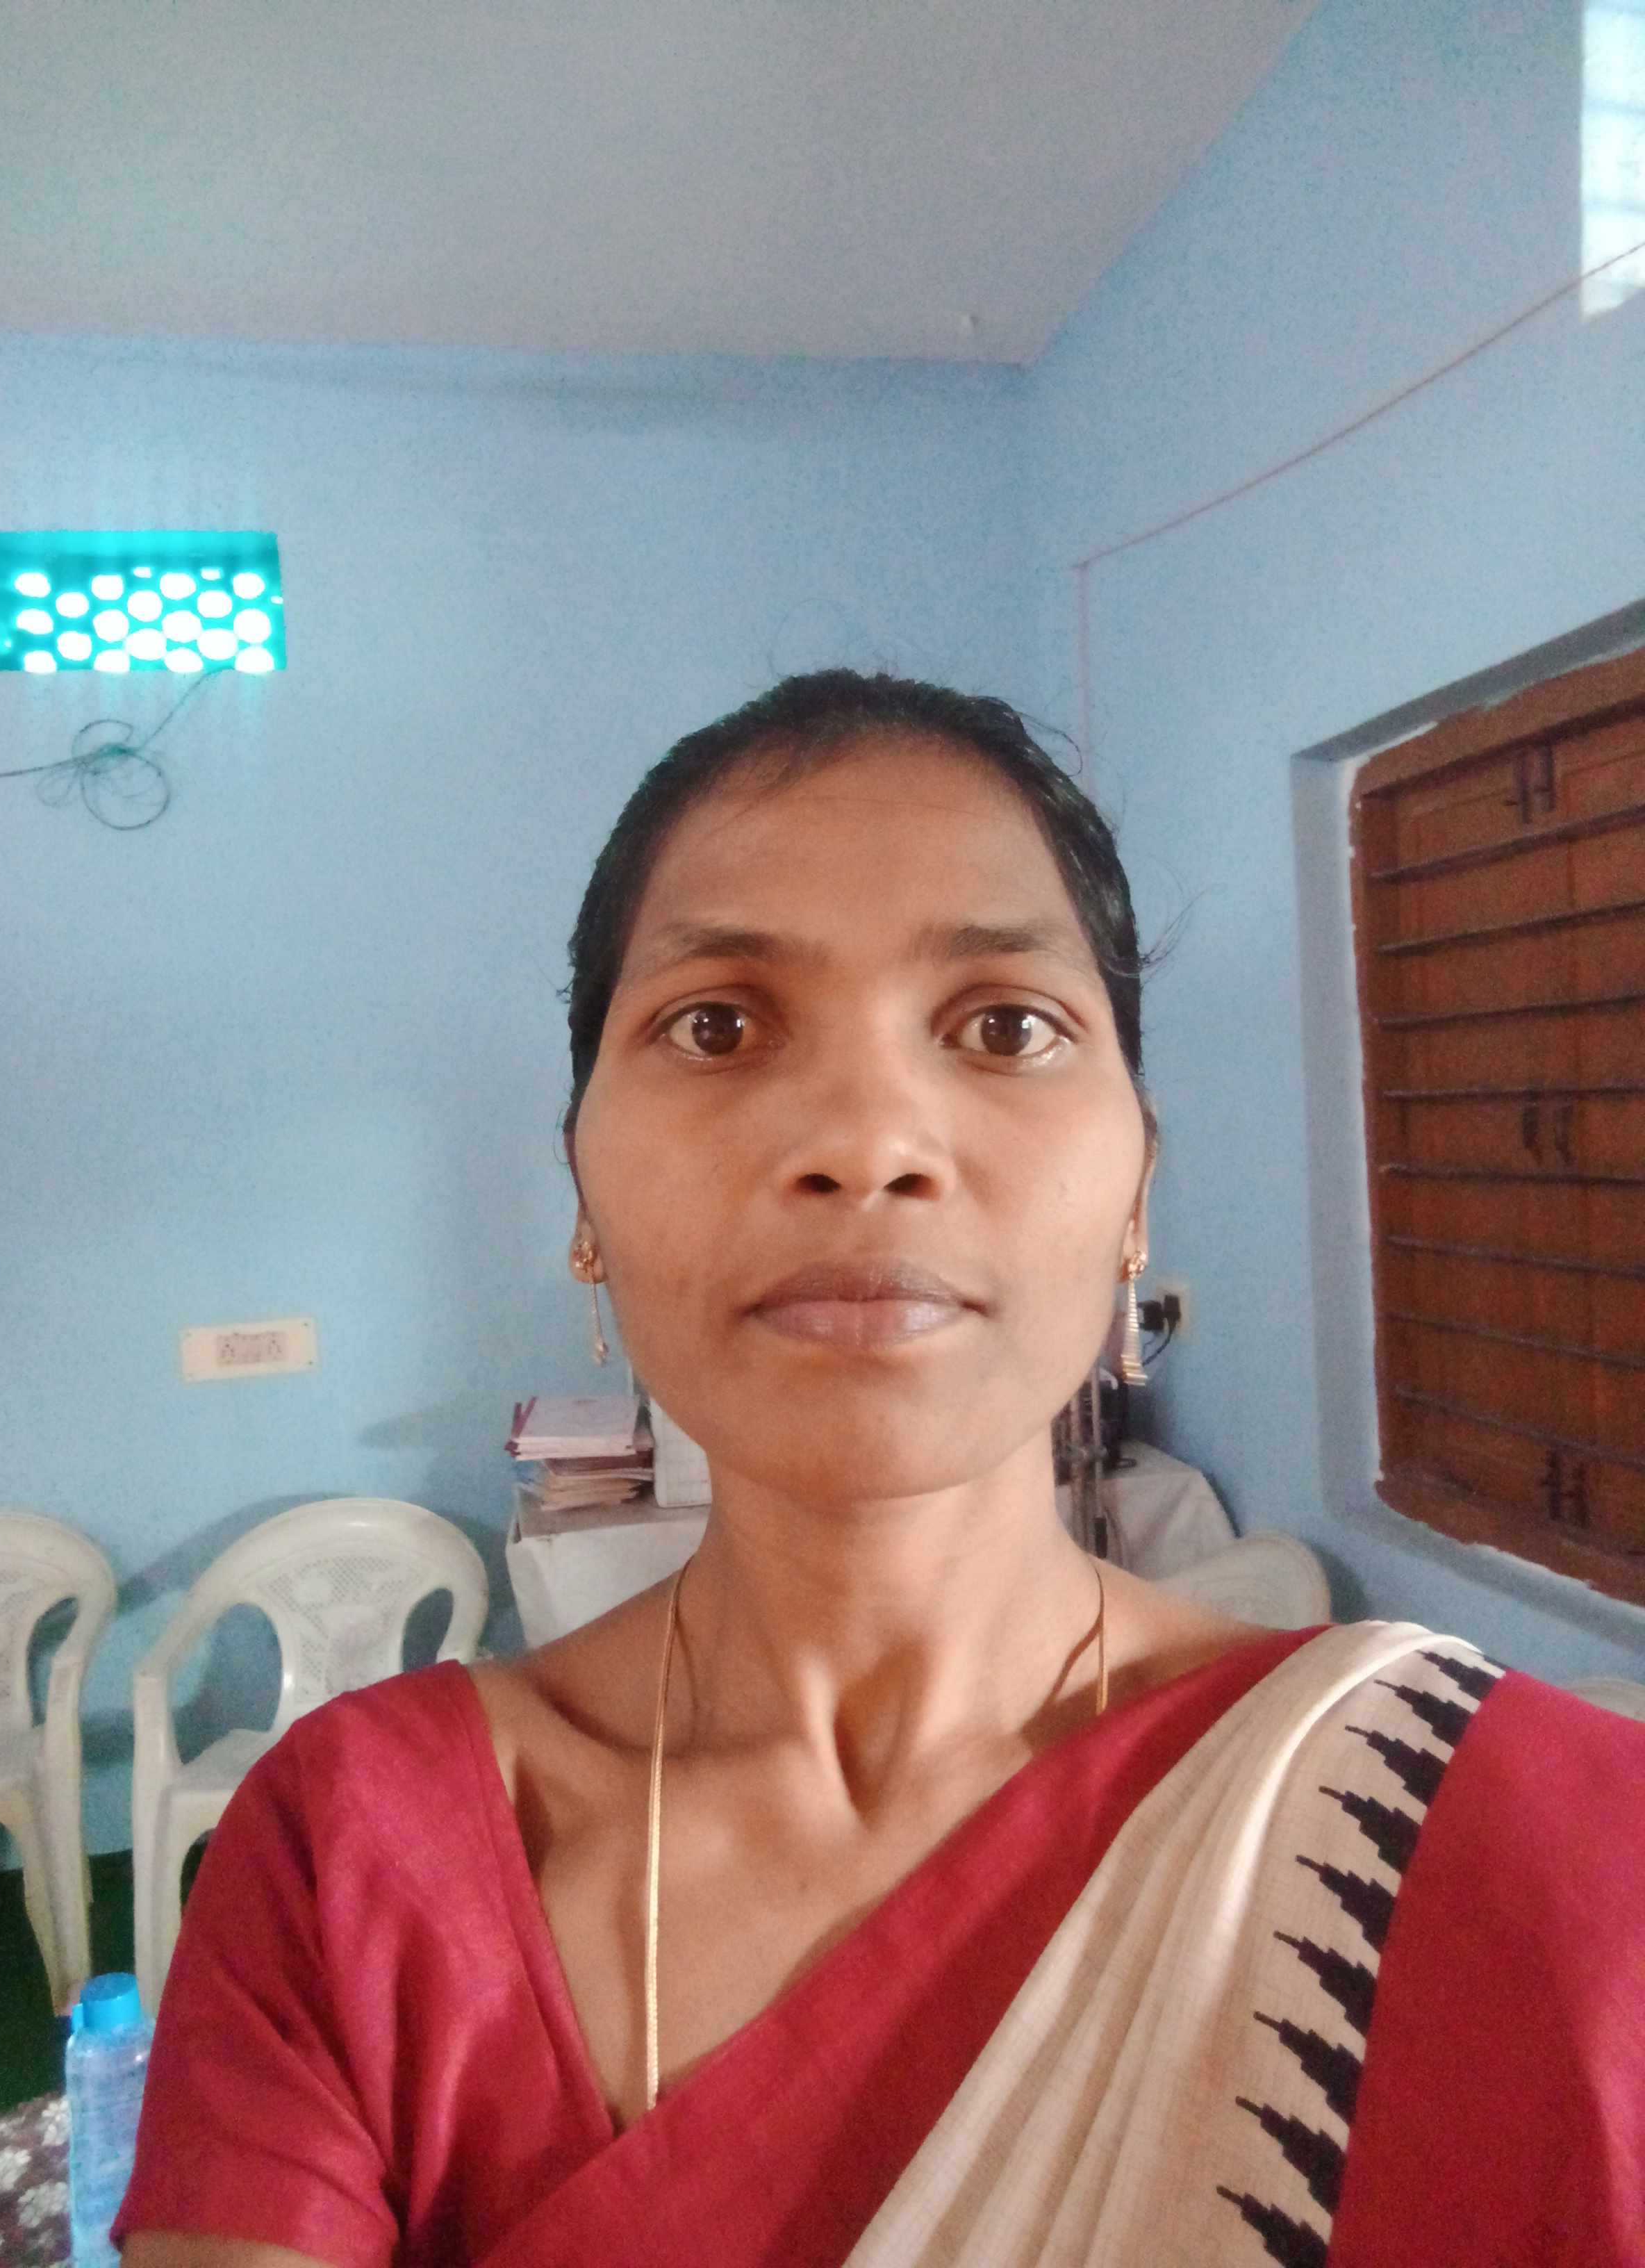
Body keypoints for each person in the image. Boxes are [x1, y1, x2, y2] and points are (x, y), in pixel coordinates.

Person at [119, 672, 1644, 2268]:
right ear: (582, 1194)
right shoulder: (353, 1862)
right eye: (717, 1025)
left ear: (1138, 1192)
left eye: (1007, 1026)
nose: (867, 1139)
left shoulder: (1527, 1854)